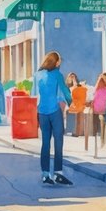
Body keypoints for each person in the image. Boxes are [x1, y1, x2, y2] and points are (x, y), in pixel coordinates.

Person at [34, 51, 73, 186]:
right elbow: (65, 91)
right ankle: (58, 173)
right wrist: (71, 103)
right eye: (59, 61)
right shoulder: (57, 74)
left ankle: (45, 174)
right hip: (54, 111)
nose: (60, 63)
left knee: (45, 143)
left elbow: (35, 93)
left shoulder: (38, 75)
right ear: (56, 62)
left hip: (42, 112)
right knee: (58, 142)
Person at [91, 72, 106, 145]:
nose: (102, 81)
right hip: (98, 110)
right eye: (101, 80)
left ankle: (105, 141)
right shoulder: (98, 90)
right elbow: (93, 94)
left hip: (105, 109)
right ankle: (102, 140)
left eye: (103, 80)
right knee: (102, 121)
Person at [65, 72, 88, 136]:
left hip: (77, 103)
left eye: (74, 76)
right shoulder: (66, 87)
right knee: (69, 111)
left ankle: (77, 130)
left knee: (75, 110)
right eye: (71, 77)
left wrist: (75, 83)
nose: (72, 78)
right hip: (70, 103)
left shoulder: (79, 86)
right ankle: (71, 129)